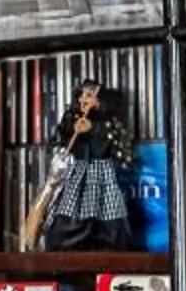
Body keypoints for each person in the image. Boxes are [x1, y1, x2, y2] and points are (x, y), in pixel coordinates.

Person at [31, 78, 134, 251]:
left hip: (101, 172)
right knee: (68, 210)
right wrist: (74, 130)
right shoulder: (73, 117)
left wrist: (93, 128)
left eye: (88, 95)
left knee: (109, 215)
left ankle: (108, 244)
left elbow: (113, 146)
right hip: (77, 171)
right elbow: (63, 140)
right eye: (81, 96)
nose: (83, 100)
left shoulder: (107, 121)